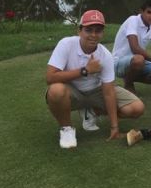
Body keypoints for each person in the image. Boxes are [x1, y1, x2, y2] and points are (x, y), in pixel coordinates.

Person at [45, 10, 144, 149]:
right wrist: (85, 70)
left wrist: (114, 127)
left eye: (98, 30)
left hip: (96, 91)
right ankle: (66, 130)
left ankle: (91, 111)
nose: (93, 35)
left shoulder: (105, 55)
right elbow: (50, 77)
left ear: (102, 33)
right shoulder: (66, 44)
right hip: (72, 91)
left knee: (136, 108)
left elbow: (108, 92)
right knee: (56, 90)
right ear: (79, 31)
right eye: (88, 30)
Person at [112, 0, 151, 94]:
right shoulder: (133, 20)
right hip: (119, 62)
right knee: (139, 60)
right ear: (141, 12)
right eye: (149, 12)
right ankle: (128, 84)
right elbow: (135, 48)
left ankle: (131, 77)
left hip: (138, 62)